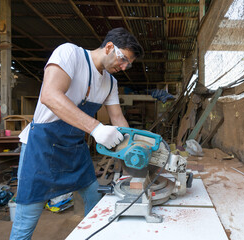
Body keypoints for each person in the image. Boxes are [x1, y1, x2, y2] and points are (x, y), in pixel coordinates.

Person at [10, 27, 144, 239]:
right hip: (42, 147)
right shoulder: (70, 54)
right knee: (27, 219)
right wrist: (96, 128)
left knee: (94, 199)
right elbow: (50, 95)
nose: (125, 67)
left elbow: (118, 119)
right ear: (109, 47)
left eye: (129, 64)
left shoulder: (111, 83)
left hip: (74, 148)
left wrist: (132, 150)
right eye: (124, 59)